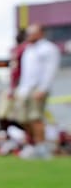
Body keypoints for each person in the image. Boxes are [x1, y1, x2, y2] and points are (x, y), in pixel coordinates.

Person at [14, 24, 61, 159]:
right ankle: (35, 145)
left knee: (35, 118)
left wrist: (43, 88)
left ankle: (42, 149)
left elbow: (50, 70)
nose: (29, 35)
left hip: (37, 88)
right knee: (22, 119)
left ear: (40, 33)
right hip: (25, 88)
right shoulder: (28, 49)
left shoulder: (48, 49)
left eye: (32, 33)